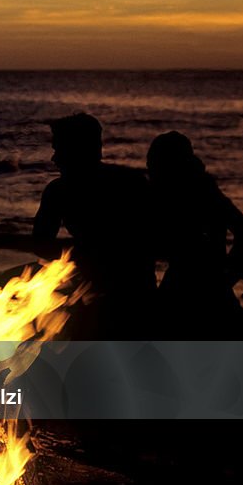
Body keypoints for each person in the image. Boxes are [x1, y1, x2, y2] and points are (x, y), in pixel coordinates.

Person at [33, 113, 156, 337]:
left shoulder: (129, 185)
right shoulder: (131, 182)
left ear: (79, 150)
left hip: (125, 298)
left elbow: (41, 244)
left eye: (59, 150)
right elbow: (41, 244)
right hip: (110, 293)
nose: (54, 159)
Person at [147, 131, 243, 337]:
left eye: (155, 166)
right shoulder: (199, 190)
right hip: (197, 288)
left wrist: (227, 276)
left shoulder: (202, 192)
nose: (151, 173)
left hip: (200, 292)